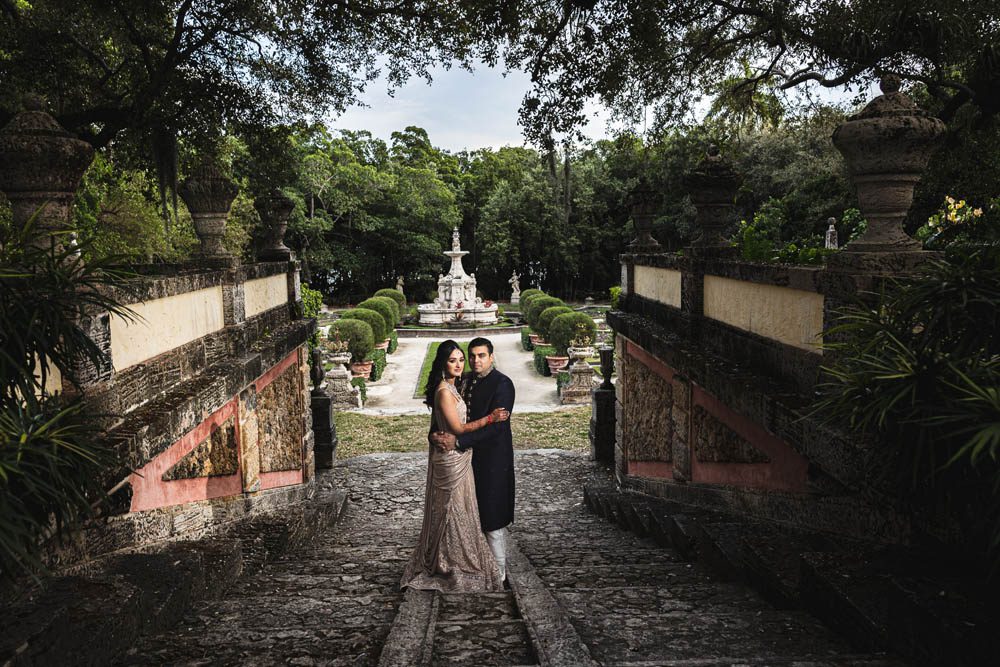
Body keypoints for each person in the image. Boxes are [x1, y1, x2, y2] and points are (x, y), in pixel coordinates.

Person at [400, 340, 509, 592]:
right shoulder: (444, 390)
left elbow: (437, 425)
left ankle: (456, 559)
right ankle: (448, 563)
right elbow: (458, 429)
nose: (461, 364)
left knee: (461, 510)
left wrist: (433, 435)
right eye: (454, 360)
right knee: (451, 510)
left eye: (462, 359)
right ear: (443, 363)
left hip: (461, 456)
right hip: (450, 459)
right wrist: (489, 418)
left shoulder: (459, 384)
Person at [430, 337, 515, 585]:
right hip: (464, 463)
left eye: (481, 356)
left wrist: (458, 443)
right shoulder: (464, 380)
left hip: (492, 461)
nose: (476, 360)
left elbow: (497, 429)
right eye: (473, 356)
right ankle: (473, 567)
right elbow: (442, 414)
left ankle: (499, 575)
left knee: (492, 517)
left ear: (491, 356)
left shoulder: (503, 384)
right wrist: (433, 435)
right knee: (466, 517)